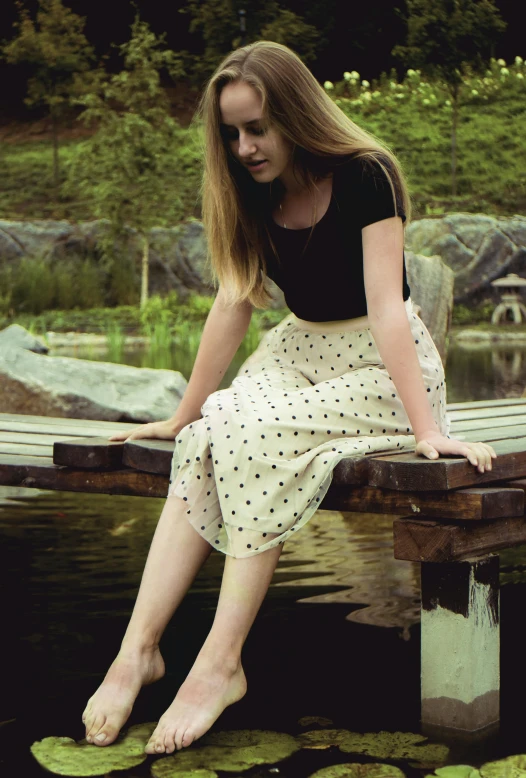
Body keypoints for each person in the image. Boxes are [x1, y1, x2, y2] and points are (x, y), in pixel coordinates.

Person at [81, 40, 496, 755]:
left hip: (381, 370)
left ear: (296, 115)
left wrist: (427, 429)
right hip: (298, 351)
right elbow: (233, 304)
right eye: (232, 133)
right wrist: (183, 412)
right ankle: (137, 651)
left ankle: (219, 663)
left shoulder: (367, 176)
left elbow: (388, 308)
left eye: (258, 129)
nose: (245, 147)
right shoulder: (249, 192)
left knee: (252, 433)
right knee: (205, 433)